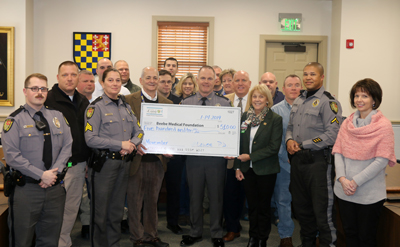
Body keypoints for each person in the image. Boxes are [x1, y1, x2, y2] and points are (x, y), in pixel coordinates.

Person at [2, 73, 72, 246]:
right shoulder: (14, 120)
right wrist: (41, 175)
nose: (39, 92)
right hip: (27, 190)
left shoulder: (58, 117)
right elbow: (12, 156)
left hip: (54, 190)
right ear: (25, 91)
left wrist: (53, 173)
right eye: (34, 88)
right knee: (22, 240)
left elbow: (68, 146)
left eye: (43, 88)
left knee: (50, 240)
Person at [332, 78, 396, 247]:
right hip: (344, 190)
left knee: (366, 238)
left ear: (374, 100)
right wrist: (343, 180)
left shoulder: (384, 126)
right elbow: (338, 152)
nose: (359, 100)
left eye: (365, 96)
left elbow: (382, 160)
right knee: (349, 234)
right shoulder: (347, 123)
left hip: (368, 193)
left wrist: (355, 182)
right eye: (356, 95)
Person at [84, 68, 143, 247]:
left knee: (117, 211)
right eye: (110, 80)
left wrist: (131, 144)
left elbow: (139, 132)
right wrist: (120, 145)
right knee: (100, 212)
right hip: (104, 166)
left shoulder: (125, 106)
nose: (115, 83)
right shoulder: (95, 107)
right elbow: (90, 138)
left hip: (123, 164)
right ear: (102, 83)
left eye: (118, 80)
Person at [286, 62, 342, 247]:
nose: (308, 77)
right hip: (298, 163)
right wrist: (289, 141)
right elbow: (291, 127)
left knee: (322, 213)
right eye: (306, 74)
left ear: (322, 77)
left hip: (318, 163)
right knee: (302, 211)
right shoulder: (299, 100)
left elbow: (331, 135)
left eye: (313, 74)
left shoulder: (329, 102)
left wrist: (303, 145)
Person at [180, 66, 231, 247]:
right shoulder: (186, 103)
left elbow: (229, 132)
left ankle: (216, 233)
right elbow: (180, 131)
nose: (206, 82)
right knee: (195, 196)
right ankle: (195, 232)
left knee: (217, 197)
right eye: (203, 78)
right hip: (193, 159)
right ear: (197, 79)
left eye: (210, 78)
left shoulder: (224, 104)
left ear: (215, 80)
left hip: (216, 159)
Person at [44, 61, 90, 247]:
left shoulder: (83, 100)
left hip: (78, 166)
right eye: (65, 75)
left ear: (78, 77)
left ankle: (64, 242)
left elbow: (87, 133)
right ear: (57, 78)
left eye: (73, 75)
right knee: (52, 211)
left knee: (71, 209)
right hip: (54, 168)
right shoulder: (48, 100)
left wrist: (88, 161)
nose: (70, 78)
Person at [125, 66, 172, 247]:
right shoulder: (128, 100)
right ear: (141, 80)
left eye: (155, 78)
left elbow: (171, 131)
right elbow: (123, 128)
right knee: (135, 202)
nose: (152, 81)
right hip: (136, 159)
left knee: (153, 201)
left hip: (158, 160)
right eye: (148, 77)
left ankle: (151, 235)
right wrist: (131, 144)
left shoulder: (168, 104)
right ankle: (137, 238)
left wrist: (171, 147)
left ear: (159, 81)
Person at [234, 84, 282, 247]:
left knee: (263, 207)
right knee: (252, 206)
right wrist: (238, 166)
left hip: (266, 170)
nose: (257, 100)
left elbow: (273, 147)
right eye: (254, 96)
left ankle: (263, 238)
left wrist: (251, 157)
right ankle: (252, 237)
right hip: (247, 170)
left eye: (261, 97)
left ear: (267, 100)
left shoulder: (275, 119)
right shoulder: (245, 119)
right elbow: (239, 144)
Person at [270, 75, 302, 247]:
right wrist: (287, 157)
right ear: (283, 88)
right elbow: (275, 140)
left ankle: (311, 235)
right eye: (290, 85)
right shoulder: (275, 110)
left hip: (305, 164)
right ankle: (285, 236)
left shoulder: (310, 108)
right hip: (283, 163)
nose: (294, 88)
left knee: (306, 201)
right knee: (283, 200)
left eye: (297, 85)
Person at [222, 70, 251, 242]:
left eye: (244, 80)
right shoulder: (225, 101)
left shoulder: (257, 100)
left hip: (249, 156)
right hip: (229, 157)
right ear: (231, 83)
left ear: (249, 83)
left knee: (245, 193)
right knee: (230, 193)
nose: (240, 83)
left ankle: (243, 225)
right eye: (237, 80)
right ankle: (233, 228)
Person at [76, 69, 96, 238]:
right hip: (78, 156)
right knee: (83, 194)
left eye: (92, 81)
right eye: (86, 81)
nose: (90, 84)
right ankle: (86, 224)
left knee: (95, 191)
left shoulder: (97, 103)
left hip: (96, 155)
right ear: (77, 83)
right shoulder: (74, 103)